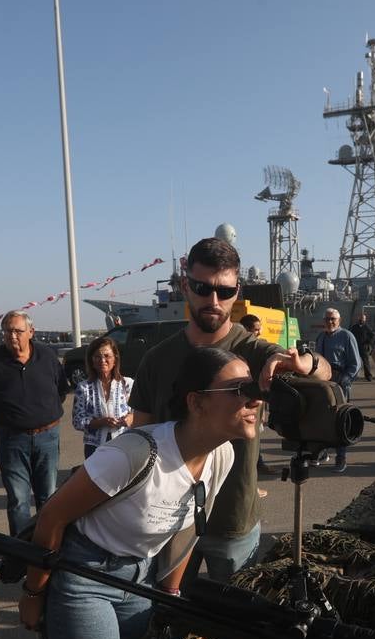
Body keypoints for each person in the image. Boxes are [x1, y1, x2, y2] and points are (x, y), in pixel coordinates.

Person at [21, 348, 254, 639]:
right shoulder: (133, 454)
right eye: (240, 391)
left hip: (140, 578)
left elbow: (188, 523)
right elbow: (52, 518)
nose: (256, 400)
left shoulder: (223, 454)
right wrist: (32, 595)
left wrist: (170, 594)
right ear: (197, 402)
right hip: (86, 577)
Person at [128, 237, 327, 583]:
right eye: (203, 288)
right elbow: (138, 440)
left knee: (234, 623)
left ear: (238, 290)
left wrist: (305, 362)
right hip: (166, 520)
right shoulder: (156, 360)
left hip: (233, 518)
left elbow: (324, 372)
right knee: (164, 615)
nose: (213, 300)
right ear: (185, 285)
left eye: (225, 290)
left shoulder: (252, 350)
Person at [0, 310, 70, 537]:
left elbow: (61, 391)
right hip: (11, 440)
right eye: (7, 331)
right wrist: (3, 419)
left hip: (48, 437)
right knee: (18, 499)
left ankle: (47, 544)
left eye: (18, 330)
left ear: (31, 332)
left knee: (48, 496)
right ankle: (20, 552)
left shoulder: (47, 356)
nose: (12, 336)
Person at [315, 308, 362, 473]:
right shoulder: (321, 336)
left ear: (339, 320)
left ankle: (341, 456)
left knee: (341, 420)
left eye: (333, 319)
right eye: (327, 319)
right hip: (323, 383)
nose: (330, 322)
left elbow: (356, 363)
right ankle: (322, 452)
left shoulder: (347, 336)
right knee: (322, 418)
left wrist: (345, 380)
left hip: (340, 382)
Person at [72, 335, 133, 460]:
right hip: (94, 448)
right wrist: (100, 422)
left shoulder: (127, 384)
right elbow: (77, 421)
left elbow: (140, 412)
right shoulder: (83, 388)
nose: (102, 360)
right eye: (97, 357)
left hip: (124, 444)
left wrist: (130, 418)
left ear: (115, 359)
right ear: (92, 361)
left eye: (107, 356)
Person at [238, 314, 278, 482]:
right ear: (246, 331)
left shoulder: (258, 351)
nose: (259, 333)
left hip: (255, 405)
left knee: (254, 440)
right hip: (240, 406)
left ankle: (257, 467)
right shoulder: (237, 351)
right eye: (255, 330)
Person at [350, 312, 375, 382]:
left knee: (366, 363)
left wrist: (369, 343)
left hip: (364, 348)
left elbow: (373, 336)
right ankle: (354, 376)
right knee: (355, 362)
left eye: (363, 319)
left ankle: (368, 376)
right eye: (360, 318)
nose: (361, 320)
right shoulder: (354, 327)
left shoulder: (367, 327)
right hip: (356, 347)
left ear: (365, 319)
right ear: (358, 318)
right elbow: (350, 335)